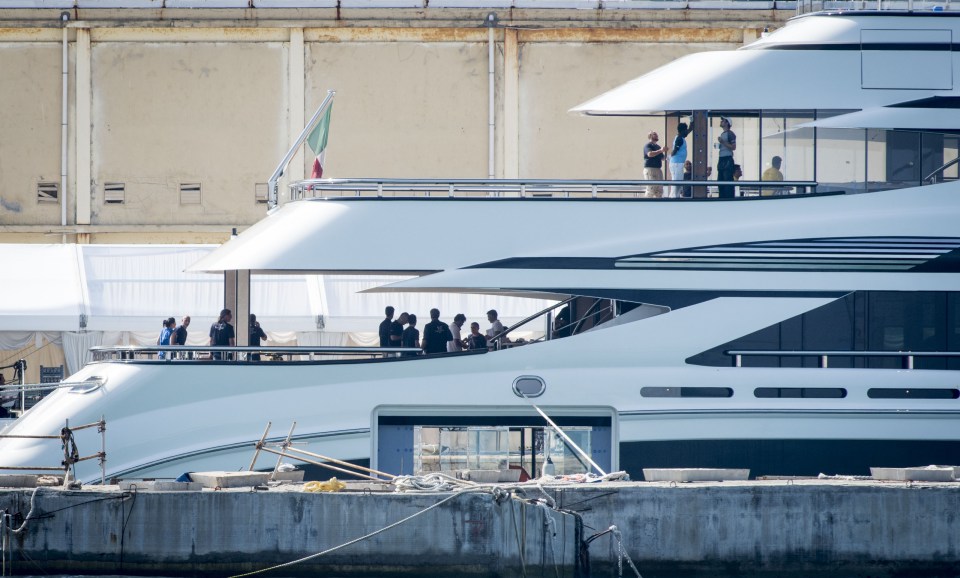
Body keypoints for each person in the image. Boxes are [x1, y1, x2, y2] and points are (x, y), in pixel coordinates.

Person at [643, 131, 669, 198]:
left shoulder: (658, 146)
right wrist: (661, 150)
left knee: (659, 189)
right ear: (650, 136)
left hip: (658, 169)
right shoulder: (648, 145)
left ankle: (658, 204)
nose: (657, 135)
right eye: (654, 134)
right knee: (651, 189)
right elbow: (650, 154)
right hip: (650, 169)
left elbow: (662, 158)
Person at [667, 122, 690, 198]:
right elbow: (675, 151)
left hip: (677, 163)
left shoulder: (680, 137)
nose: (687, 131)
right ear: (683, 130)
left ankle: (675, 197)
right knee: (677, 182)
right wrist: (669, 156)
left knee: (677, 182)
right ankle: (674, 198)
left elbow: (689, 130)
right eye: (686, 130)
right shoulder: (679, 139)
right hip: (677, 164)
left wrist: (692, 122)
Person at [716, 116, 737, 199]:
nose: (721, 121)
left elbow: (733, 147)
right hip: (722, 158)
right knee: (720, 180)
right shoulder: (723, 134)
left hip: (727, 159)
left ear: (727, 123)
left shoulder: (730, 134)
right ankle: (722, 197)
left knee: (727, 180)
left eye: (723, 120)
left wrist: (723, 142)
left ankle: (727, 198)